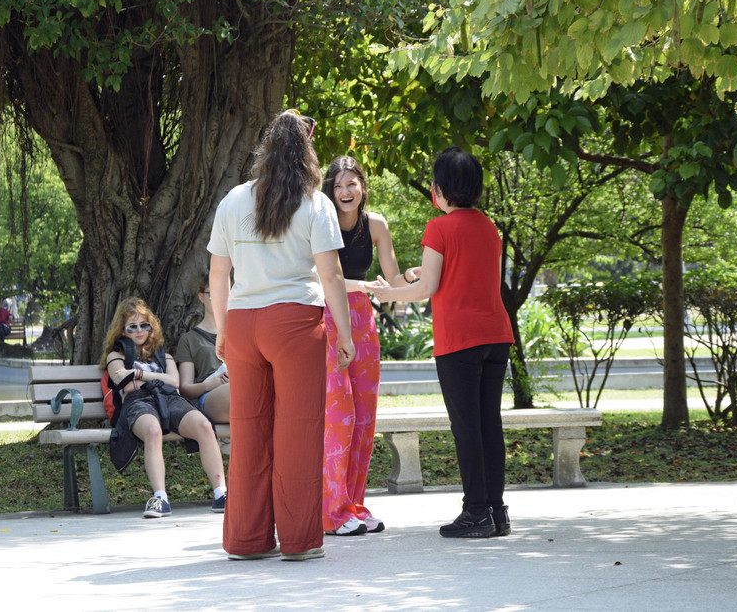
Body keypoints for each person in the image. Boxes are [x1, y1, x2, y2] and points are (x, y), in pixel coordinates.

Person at [208, 109, 355, 562]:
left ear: (266, 147)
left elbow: (218, 272)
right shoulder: (315, 204)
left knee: (248, 431)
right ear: (306, 150)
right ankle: (298, 541)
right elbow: (331, 276)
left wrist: (222, 329)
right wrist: (345, 335)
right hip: (294, 324)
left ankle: (246, 541)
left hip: (243, 323)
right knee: (298, 431)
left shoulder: (234, 199)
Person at [373, 146, 514, 539]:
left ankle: (475, 512)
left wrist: (389, 294)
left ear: (439, 189)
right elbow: (468, 276)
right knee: (489, 425)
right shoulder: (489, 227)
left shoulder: (439, 227)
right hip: (496, 335)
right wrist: (426, 274)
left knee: (466, 427)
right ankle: (497, 511)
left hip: (460, 341)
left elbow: (426, 289)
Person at [320, 156, 421, 536]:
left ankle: (354, 506)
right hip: (328, 317)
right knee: (339, 417)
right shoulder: (320, 221)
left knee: (363, 419)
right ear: (329, 190)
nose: (345, 191)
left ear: (363, 186)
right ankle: (331, 511)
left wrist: (411, 276)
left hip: (362, 320)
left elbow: (391, 279)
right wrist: (362, 286)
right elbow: (322, 278)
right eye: (338, 185)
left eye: (352, 184)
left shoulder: (376, 224)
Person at [100, 297, 227, 518]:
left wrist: (138, 373)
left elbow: (175, 382)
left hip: (169, 399)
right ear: (122, 330)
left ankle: (221, 494)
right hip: (138, 402)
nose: (140, 331)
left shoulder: (164, 355)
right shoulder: (116, 355)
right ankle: (160, 498)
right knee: (153, 431)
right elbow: (124, 383)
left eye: (144, 325)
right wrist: (155, 378)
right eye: (132, 326)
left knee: (204, 426)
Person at [177, 278, 229, 424]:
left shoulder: (239, 333)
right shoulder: (189, 339)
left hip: (241, 385)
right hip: (211, 395)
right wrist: (210, 384)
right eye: (212, 294)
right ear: (201, 297)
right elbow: (185, 389)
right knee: (240, 390)